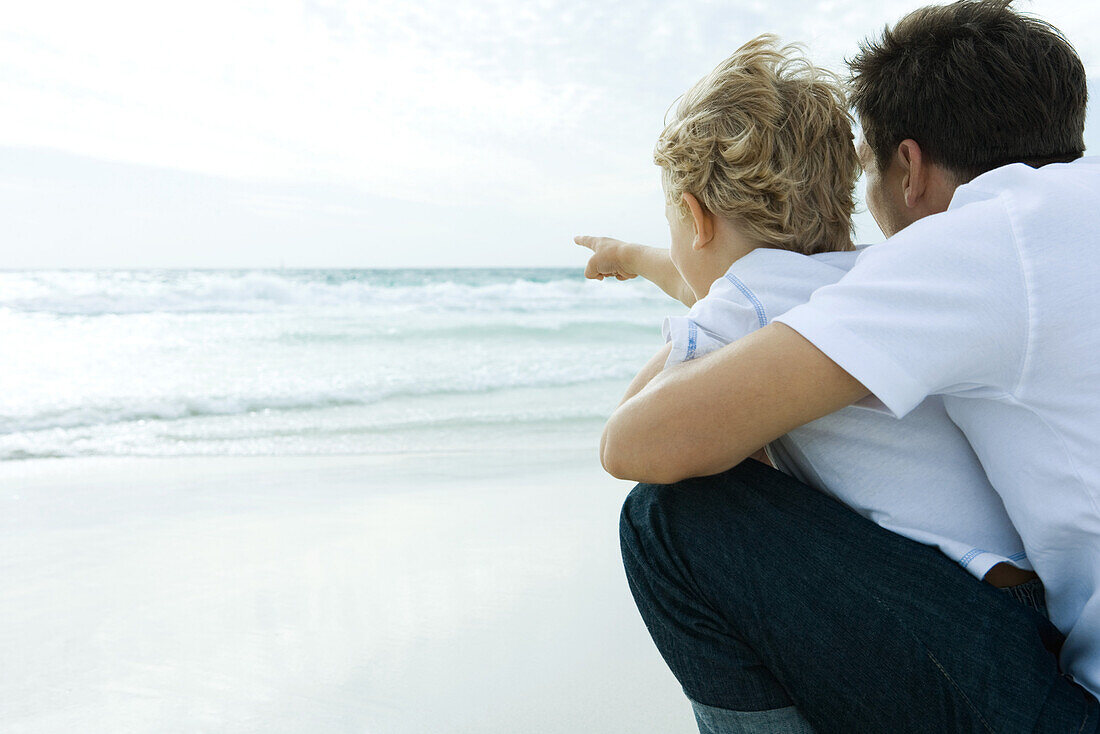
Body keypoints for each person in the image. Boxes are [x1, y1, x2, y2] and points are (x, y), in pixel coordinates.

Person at [597, 1, 1100, 732]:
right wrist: (650, 262)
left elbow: (632, 442)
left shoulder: (974, 248)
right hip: (1031, 614)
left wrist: (685, 292)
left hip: (1029, 664)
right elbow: (777, 304)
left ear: (910, 167)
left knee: (665, 521)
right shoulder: (1052, 229)